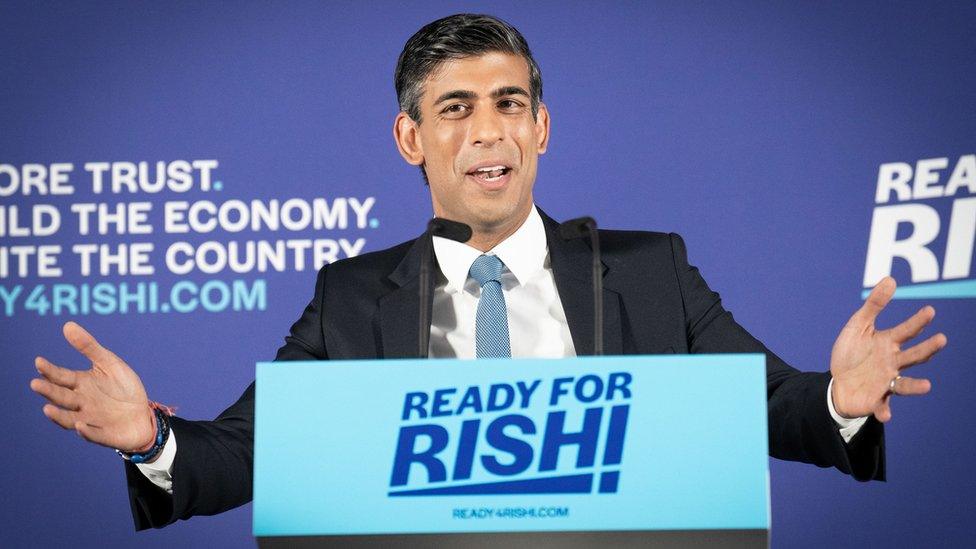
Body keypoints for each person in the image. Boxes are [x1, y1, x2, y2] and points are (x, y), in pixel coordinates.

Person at [30, 13, 946, 530]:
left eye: (510, 104)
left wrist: (840, 397)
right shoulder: (352, 297)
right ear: (411, 139)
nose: (488, 131)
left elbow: (765, 404)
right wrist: (147, 439)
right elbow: (248, 453)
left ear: (540, 129)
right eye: (456, 108)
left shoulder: (648, 270)